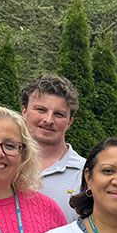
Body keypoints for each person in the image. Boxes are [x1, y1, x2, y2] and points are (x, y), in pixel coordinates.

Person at [20, 74, 85, 218]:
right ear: (24, 111)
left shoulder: (86, 174)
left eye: (59, 114)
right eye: (41, 110)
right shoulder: (4, 164)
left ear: (70, 122)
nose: (48, 120)